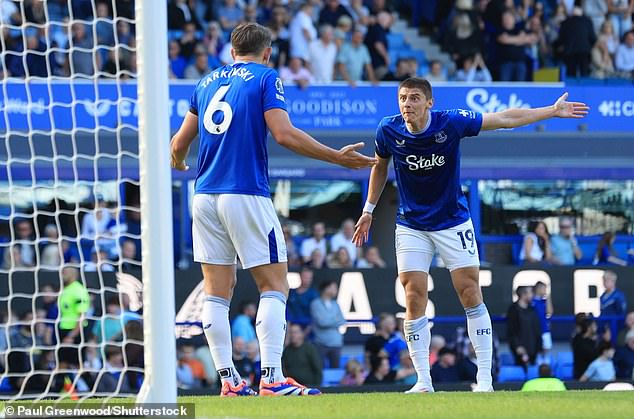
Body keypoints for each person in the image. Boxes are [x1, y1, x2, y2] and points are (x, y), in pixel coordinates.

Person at [170, 22, 375, 397]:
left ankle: (230, 381)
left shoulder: (205, 83)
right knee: (275, 285)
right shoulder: (266, 77)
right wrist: (336, 157)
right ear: (268, 52)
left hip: (204, 195)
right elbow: (283, 133)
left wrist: (179, 161)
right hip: (245, 191)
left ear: (232, 52)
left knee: (217, 291)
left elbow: (179, 142)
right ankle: (273, 377)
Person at [352, 76, 588, 393]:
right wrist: (368, 210)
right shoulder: (388, 130)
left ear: (429, 102)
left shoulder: (451, 122)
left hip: (452, 222)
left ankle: (485, 380)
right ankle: (423, 381)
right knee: (413, 296)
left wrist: (551, 111)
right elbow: (380, 166)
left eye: (414, 98)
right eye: (403, 98)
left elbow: (504, 118)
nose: (407, 104)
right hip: (411, 225)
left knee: (470, 293)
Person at [310, 280, 345, 368]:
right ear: (326, 289)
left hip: (336, 343)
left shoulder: (335, 304)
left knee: (336, 371)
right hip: (321, 343)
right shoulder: (315, 304)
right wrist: (334, 320)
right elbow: (322, 322)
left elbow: (342, 320)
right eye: (333, 288)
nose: (335, 290)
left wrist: (328, 319)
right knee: (319, 369)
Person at [556, 5, 597, 78]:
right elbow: (593, 38)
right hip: (584, 52)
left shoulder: (565, 23)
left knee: (571, 75)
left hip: (570, 52)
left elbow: (561, 40)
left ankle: (570, 89)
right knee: (584, 75)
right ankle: (585, 89)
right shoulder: (587, 22)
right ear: (581, 12)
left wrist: (553, 46)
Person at [507, 286, 543, 367]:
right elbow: (512, 330)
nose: (532, 295)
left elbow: (537, 329)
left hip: (533, 349)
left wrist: (539, 346)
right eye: (530, 293)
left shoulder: (532, 310)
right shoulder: (513, 310)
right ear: (523, 294)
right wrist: (517, 346)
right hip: (520, 349)